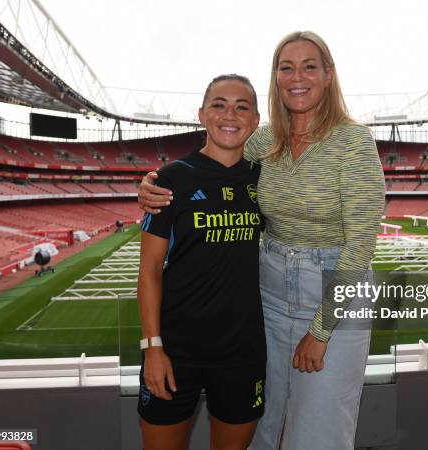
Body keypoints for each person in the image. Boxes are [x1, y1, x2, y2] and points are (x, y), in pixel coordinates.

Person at [139, 31, 385, 450]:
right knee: (260, 430)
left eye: (309, 66)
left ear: (328, 75)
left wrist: (321, 330)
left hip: (334, 290)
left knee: (317, 436)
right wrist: (151, 184)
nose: (297, 76)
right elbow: (215, 157)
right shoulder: (263, 139)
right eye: (286, 67)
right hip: (268, 292)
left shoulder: (353, 142)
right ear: (276, 77)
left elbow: (361, 245)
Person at [136, 74, 266, 450]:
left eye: (242, 107)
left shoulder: (266, 179)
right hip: (175, 352)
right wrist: (153, 348)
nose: (230, 114)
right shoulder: (170, 178)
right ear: (202, 115)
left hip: (243, 353)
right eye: (219, 104)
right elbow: (148, 272)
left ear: (255, 121)